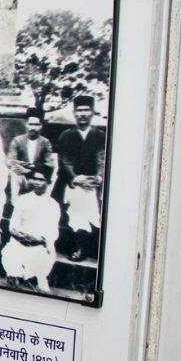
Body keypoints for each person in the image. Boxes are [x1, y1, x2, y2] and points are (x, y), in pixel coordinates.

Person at [54, 94, 107, 261]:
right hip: (70, 183)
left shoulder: (100, 136)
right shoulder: (66, 136)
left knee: (92, 208)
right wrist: (76, 178)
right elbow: (64, 160)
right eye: (79, 110)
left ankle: (85, 246)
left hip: (92, 184)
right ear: (74, 113)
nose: (82, 114)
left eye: (86, 110)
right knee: (72, 211)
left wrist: (99, 177)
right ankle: (74, 245)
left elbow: (102, 158)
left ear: (92, 113)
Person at [2, 164, 62, 291]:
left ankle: (35, 279)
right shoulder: (22, 199)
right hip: (20, 241)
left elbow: (53, 231)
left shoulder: (53, 205)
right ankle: (15, 277)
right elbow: (13, 224)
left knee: (41, 258)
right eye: (34, 178)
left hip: (39, 243)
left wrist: (38, 238)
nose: (36, 182)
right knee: (11, 253)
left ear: (48, 182)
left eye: (41, 180)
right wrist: (18, 234)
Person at [7, 109, 57, 195]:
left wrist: (29, 169)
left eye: (36, 124)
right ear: (26, 124)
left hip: (38, 175)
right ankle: (14, 204)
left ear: (41, 126)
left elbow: (50, 164)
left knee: (51, 177)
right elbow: (11, 161)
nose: (33, 128)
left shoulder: (45, 142)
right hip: (22, 176)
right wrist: (23, 169)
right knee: (14, 176)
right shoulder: (17, 140)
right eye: (30, 124)